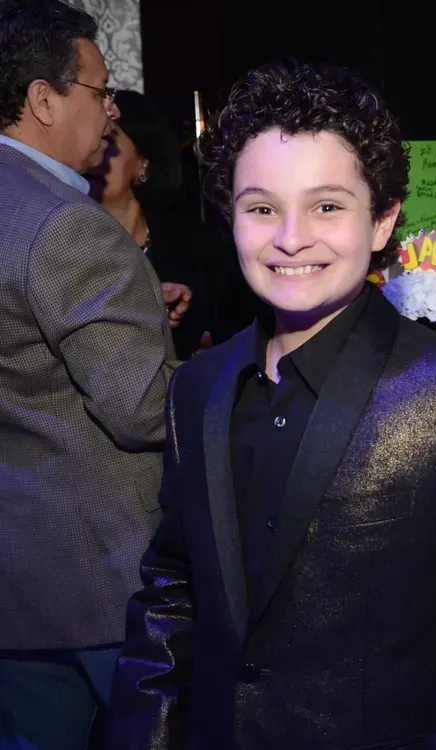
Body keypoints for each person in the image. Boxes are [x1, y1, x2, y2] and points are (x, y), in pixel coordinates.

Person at [108, 59, 436, 749]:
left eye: (327, 206)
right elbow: (172, 590)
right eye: (261, 208)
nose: (291, 236)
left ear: (382, 221)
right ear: (230, 218)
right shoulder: (198, 385)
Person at [0, 1, 176, 748]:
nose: (111, 112)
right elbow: (140, 407)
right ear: (43, 98)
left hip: (19, 581)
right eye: (100, 92)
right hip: (101, 578)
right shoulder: (64, 222)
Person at [86, 90, 235, 359]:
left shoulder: (195, 245)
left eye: (108, 139)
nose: (96, 152)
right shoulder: (69, 241)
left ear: (144, 162)